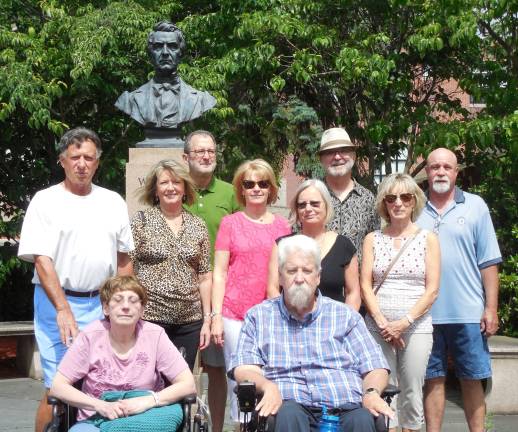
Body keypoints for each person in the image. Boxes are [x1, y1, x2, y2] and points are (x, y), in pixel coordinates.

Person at [17, 127, 134, 432]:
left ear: (98, 162)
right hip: (57, 304)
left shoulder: (112, 202)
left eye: (89, 157)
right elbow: (41, 259)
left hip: (101, 305)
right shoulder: (45, 201)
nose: (82, 163)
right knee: (58, 387)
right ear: (62, 161)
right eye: (75, 157)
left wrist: (123, 303)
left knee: (98, 383)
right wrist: (62, 308)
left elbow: (124, 260)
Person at [229, 234, 394, 432]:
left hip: (345, 404)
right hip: (289, 405)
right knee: (289, 415)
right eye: (291, 271)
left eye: (307, 271)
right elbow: (244, 368)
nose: (299, 278)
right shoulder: (259, 316)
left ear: (318, 276)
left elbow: (375, 366)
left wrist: (371, 392)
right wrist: (266, 386)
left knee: (361, 419)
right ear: (280, 276)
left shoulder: (345, 316)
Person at [417, 148, 502, 432]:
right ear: (426, 172)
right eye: (434, 167)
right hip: (425, 315)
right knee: (433, 379)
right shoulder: (414, 208)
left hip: (468, 313)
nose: (440, 172)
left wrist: (491, 308)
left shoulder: (476, 206)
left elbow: (488, 262)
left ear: (456, 172)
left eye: (446, 167)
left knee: (472, 377)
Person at [50, 275, 196, 432]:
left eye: (133, 301)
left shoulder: (155, 335)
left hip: (145, 417)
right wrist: (101, 405)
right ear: (106, 308)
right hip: (95, 419)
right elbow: (58, 386)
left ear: (142, 310)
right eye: (118, 300)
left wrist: (149, 401)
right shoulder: (90, 337)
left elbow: (188, 384)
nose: (125, 306)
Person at [211, 159, 291, 423]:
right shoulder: (230, 223)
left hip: (271, 313)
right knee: (240, 382)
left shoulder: (283, 227)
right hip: (235, 314)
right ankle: (241, 428)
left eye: (262, 183)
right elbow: (220, 272)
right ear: (241, 189)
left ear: (271, 189)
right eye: (249, 184)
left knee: (270, 376)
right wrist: (216, 316)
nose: (256, 188)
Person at [361, 173, 440, 432]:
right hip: (377, 325)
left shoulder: (427, 238)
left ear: (414, 201)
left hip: (416, 326)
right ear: (384, 203)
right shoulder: (373, 239)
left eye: (405, 197)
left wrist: (403, 323)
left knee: (412, 391)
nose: (398, 203)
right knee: (382, 387)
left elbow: (432, 290)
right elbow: (365, 285)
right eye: (391, 197)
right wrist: (384, 323)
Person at [182, 130, 240, 432]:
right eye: (199, 151)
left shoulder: (230, 193)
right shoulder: (176, 189)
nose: (206, 156)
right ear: (186, 157)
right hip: (181, 294)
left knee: (217, 368)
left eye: (211, 152)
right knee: (181, 368)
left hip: (220, 295)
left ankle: (216, 429)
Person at [130, 159, 211, 371]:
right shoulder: (141, 222)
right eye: (164, 182)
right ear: (155, 190)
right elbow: (126, 268)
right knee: (148, 379)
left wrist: (208, 319)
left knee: (180, 382)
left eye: (176, 182)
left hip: (189, 321)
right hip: (149, 319)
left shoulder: (197, 225)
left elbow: (204, 275)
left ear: (185, 188)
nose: (171, 187)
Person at [268, 179, 361, 309]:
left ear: (326, 205)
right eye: (302, 205)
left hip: (334, 324)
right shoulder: (282, 245)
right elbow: (273, 289)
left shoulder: (344, 246)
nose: (308, 209)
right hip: (290, 323)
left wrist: (345, 323)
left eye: (314, 204)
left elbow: (353, 293)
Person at [115, 21, 216, 129]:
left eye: (172, 46)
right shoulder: (130, 100)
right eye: (158, 46)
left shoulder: (200, 99)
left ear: (180, 53)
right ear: (150, 54)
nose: (165, 52)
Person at [319, 127, 379, 258]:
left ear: (354, 155)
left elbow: (375, 245)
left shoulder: (367, 199)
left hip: (357, 278)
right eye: (330, 152)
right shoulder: (311, 196)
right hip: (317, 277)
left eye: (344, 150)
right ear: (321, 159)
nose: (337, 157)